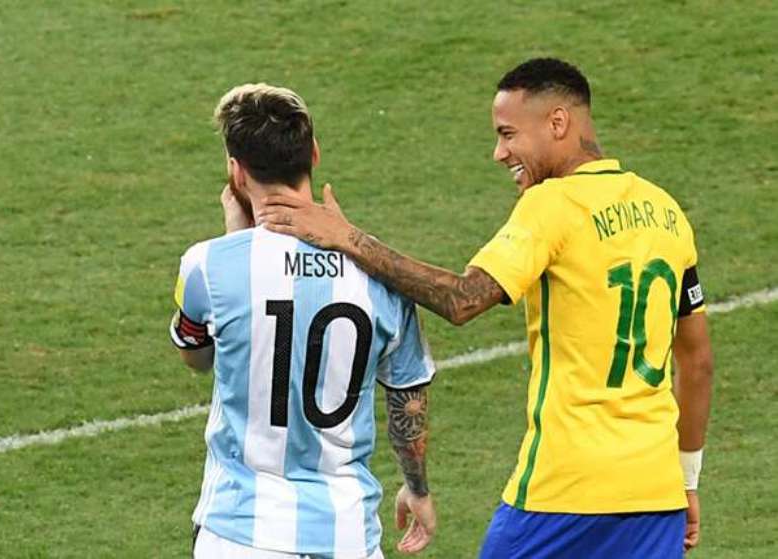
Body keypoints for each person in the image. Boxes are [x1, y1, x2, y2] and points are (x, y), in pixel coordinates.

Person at [258, 58, 714, 558]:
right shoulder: (666, 211)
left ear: (557, 122)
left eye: (507, 134)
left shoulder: (553, 204)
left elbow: (462, 299)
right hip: (656, 493)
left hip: (566, 488)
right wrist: (686, 479)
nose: (499, 153)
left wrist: (347, 238)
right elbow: (696, 361)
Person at [170, 83, 438, 559]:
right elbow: (408, 396)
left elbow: (197, 358)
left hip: (240, 535)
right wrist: (416, 487)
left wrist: (235, 239)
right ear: (313, 153)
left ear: (236, 172)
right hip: (347, 536)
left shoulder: (207, 265)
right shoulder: (382, 272)